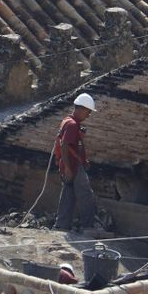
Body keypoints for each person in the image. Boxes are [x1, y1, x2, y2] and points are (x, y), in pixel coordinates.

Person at [53, 93, 97, 231]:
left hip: (71, 165)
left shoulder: (68, 121)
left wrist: (84, 160)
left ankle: (62, 225)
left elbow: (72, 146)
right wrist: (68, 168)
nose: (88, 115)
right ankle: (88, 226)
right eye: (88, 112)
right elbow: (65, 145)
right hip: (73, 166)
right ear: (81, 108)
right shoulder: (72, 125)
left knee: (68, 195)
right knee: (86, 195)